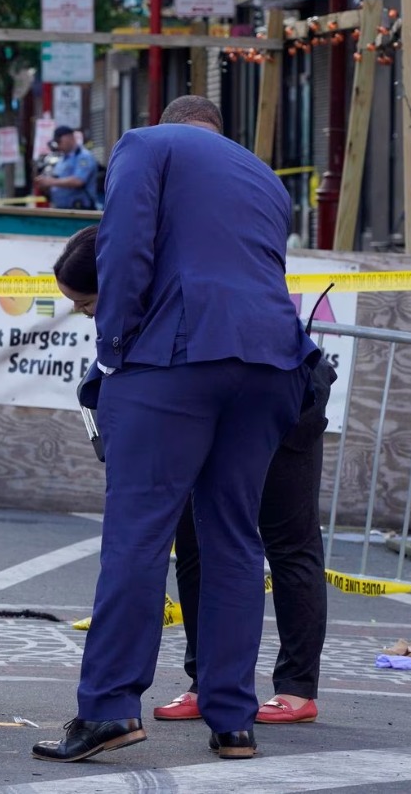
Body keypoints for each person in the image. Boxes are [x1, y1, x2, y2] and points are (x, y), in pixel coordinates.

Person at [33, 95, 318, 764]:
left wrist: (113, 350)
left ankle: (109, 707)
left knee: (137, 536)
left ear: (166, 122)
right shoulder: (263, 175)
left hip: (180, 356)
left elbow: (124, 249)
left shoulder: (144, 144)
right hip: (274, 360)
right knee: (234, 537)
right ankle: (233, 718)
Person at [50, 225, 335, 728]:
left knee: (286, 542)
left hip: (275, 398)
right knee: (197, 541)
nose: (82, 312)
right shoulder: (151, 302)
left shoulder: (189, 280)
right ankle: (210, 682)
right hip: (209, 399)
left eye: (85, 302)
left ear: (116, 282)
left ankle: (295, 687)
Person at [31, 125, 101, 210]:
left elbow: (78, 181)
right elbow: (58, 180)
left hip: (80, 209)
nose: (58, 145)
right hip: (61, 209)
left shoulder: (83, 156)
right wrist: (45, 185)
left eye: (59, 141)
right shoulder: (62, 159)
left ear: (70, 137)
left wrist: (50, 182)